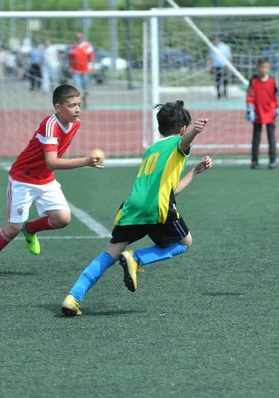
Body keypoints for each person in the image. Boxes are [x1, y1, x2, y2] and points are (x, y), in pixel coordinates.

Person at [61, 100, 213, 316]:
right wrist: (194, 133)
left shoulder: (152, 149)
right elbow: (184, 142)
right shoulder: (179, 143)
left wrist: (195, 172)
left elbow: (170, 190)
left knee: (109, 253)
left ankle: (73, 297)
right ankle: (137, 258)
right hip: (156, 209)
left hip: (132, 207)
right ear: (182, 129)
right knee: (185, 243)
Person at [0, 85, 103, 278]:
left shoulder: (75, 123)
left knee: (62, 219)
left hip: (45, 179)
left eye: (79, 104)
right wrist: (85, 161)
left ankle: (31, 229)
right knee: (13, 228)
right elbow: (51, 162)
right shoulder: (50, 125)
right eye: (71, 105)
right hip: (23, 178)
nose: (77, 109)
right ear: (58, 107)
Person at [246, 58, 279, 170]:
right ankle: (254, 161)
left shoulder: (272, 81)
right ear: (258, 68)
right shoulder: (254, 81)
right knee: (256, 137)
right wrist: (250, 109)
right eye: (261, 67)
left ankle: (272, 160)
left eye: (266, 67)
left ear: (268, 68)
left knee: (271, 137)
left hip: (270, 113)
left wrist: (277, 108)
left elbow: (274, 97)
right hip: (258, 113)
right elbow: (250, 96)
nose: (263, 69)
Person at [68, 33, 95, 107]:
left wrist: (93, 66)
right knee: (77, 86)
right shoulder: (72, 47)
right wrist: (69, 68)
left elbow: (92, 57)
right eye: (77, 38)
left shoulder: (87, 46)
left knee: (86, 88)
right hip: (76, 70)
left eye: (79, 38)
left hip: (85, 70)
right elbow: (70, 59)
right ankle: (78, 103)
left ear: (82, 38)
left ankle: (84, 99)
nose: (78, 39)